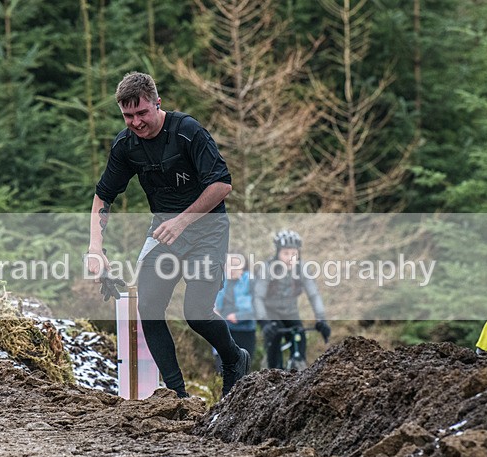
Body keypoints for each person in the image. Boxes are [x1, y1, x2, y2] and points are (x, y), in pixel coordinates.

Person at [86, 71, 250, 398]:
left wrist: (181, 221)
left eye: (142, 113)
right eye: (127, 115)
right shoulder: (126, 145)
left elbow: (222, 185)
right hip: (164, 233)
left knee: (196, 313)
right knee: (148, 305)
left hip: (207, 230)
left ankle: (234, 358)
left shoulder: (188, 132)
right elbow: (103, 196)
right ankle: (177, 396)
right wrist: (95, 246)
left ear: (157, 104)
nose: (135, 122)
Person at [253, 230, 331, 369]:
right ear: (278, 253)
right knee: (274, 344)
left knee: (299, 341)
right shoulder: (267, 268)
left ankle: (299, 368)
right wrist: (264, 322)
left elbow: (314, 295)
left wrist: (321, 319)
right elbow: (258, 297)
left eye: (294, 254)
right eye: (286, 253)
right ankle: (271, 371)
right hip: (271, 313)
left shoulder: (302, 268)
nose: (290, 258)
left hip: (291, 312)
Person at [213, 251, 256, 374]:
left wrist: (239, 316)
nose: (232, 268)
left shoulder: (250, 281)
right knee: (222, 370)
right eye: (229, 264)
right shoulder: (219, 281)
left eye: (236, 264)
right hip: (224, 329)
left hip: (245, 331)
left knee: (242, 371)